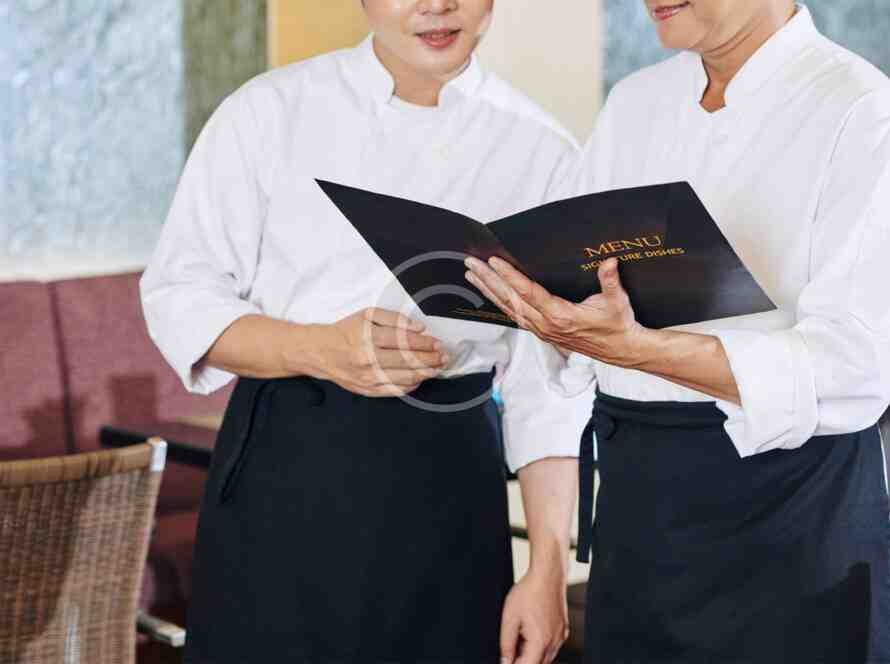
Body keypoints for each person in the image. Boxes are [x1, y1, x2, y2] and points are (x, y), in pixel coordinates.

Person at [141, 1, 592, 662]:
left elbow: (549, 384)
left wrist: (548, 566)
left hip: (449, 472)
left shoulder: (543, 150)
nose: (437, 5)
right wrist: (318, 348)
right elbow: (179, 294)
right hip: (287, 457)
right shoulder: (269, 111)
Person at [465, 1, 890, 661]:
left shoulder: (861, 109)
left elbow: (856, 365)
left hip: (791, 520)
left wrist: (642, 350)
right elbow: (574, 313)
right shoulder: (634, 105)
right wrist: (546, 312)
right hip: (638, 522)